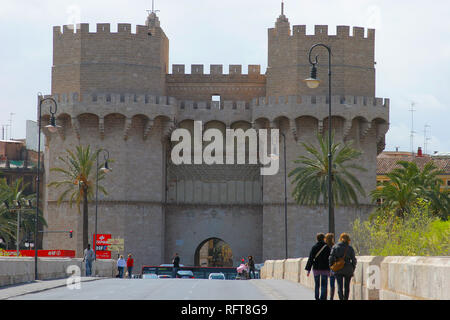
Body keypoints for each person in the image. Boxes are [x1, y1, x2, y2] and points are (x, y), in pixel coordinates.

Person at [329, 233, 357, 300]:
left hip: (338, 268)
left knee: (339, 286)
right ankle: (346, 298)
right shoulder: (350, 248)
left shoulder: (335, 247)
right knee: (347, 286)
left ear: (340, 239)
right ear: (348, 240)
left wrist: (331, 266)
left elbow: (331, 258)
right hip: (348, 269)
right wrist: (352, 268)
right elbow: (354, 259)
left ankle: (341, 298)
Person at [305, 233, 331, 300]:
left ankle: (317, 297)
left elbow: (311, 259)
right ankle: (322, 297)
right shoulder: (327, 247)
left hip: (316, 268)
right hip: (325, 269)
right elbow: (330, 258)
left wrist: (308, 270)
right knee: (324, 284)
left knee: (317, 284)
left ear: (317, 239)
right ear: (323, 239)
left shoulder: (314, 247)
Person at [325, 233, 336, 300]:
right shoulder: (334, 247)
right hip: (333, 267)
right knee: (332, 283)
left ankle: (325, 296)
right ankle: (331, 297)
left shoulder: (324, 247)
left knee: (325, 283)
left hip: (325, 267)